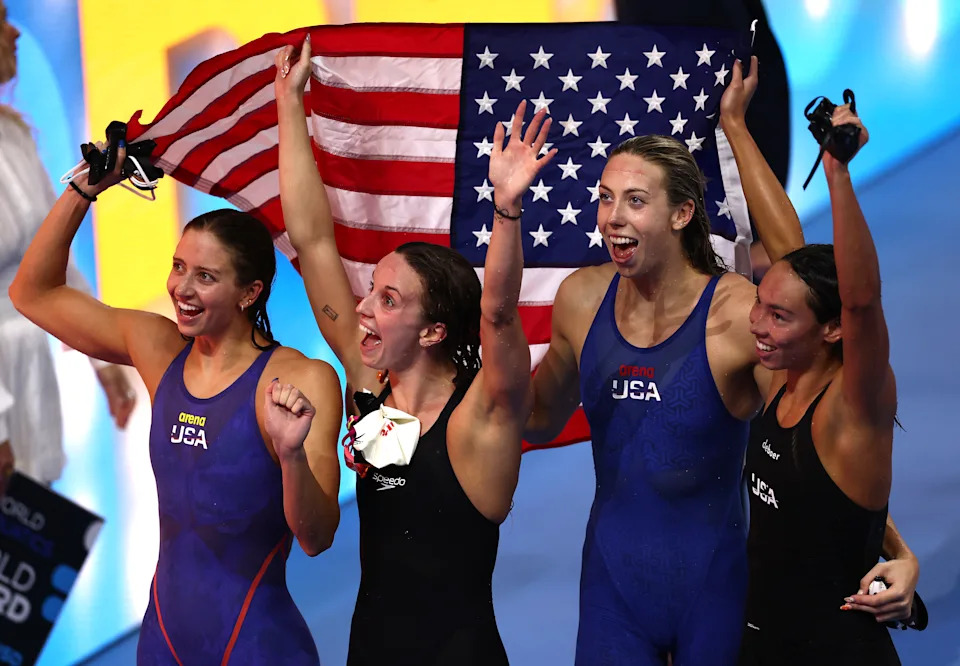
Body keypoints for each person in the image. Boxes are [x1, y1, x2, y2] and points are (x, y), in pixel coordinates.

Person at [275, 36, 554, 665]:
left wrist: (506, 210)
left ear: (434, 332)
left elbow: (499, 312)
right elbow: (314, 241)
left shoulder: (484, 416)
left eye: (389, 300)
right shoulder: (370, 383)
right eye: (371, 292)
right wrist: (289, 107)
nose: (365, 309)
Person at [9, 140, 343, 661]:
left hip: (256, 645)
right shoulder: (159, 348)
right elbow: (32, 292)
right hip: (163, 640)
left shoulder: (300, 378)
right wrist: (84, 190)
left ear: (249, 293)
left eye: (205, 277)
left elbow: (317, 536)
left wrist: (292, 455)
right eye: (178, 266)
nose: (180, 288)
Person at [521, 57, 803, 665]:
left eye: (634, 201)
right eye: (604, 199)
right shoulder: (581, 298)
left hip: (715, 589)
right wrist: (492, 344)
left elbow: (804, 287)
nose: (612, 217)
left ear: (681, 215)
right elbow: (538, 419)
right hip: (611, 593)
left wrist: (735, 126)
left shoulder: (737, 315)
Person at [740, 106, 907, 664]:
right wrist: (737, 126)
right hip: (759, 642)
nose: (758, 325)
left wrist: (837, 173)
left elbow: (862, 299)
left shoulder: (855, 408)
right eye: (759, 305)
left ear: (833, 329)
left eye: (779, 317)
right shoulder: (776, 379)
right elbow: (785, 249)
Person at [0, 1, 136, 489]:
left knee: (28, 535)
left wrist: (102, 357)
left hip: (31, 373)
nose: (14, 34)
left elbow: (51, 256)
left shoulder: (14, 135)